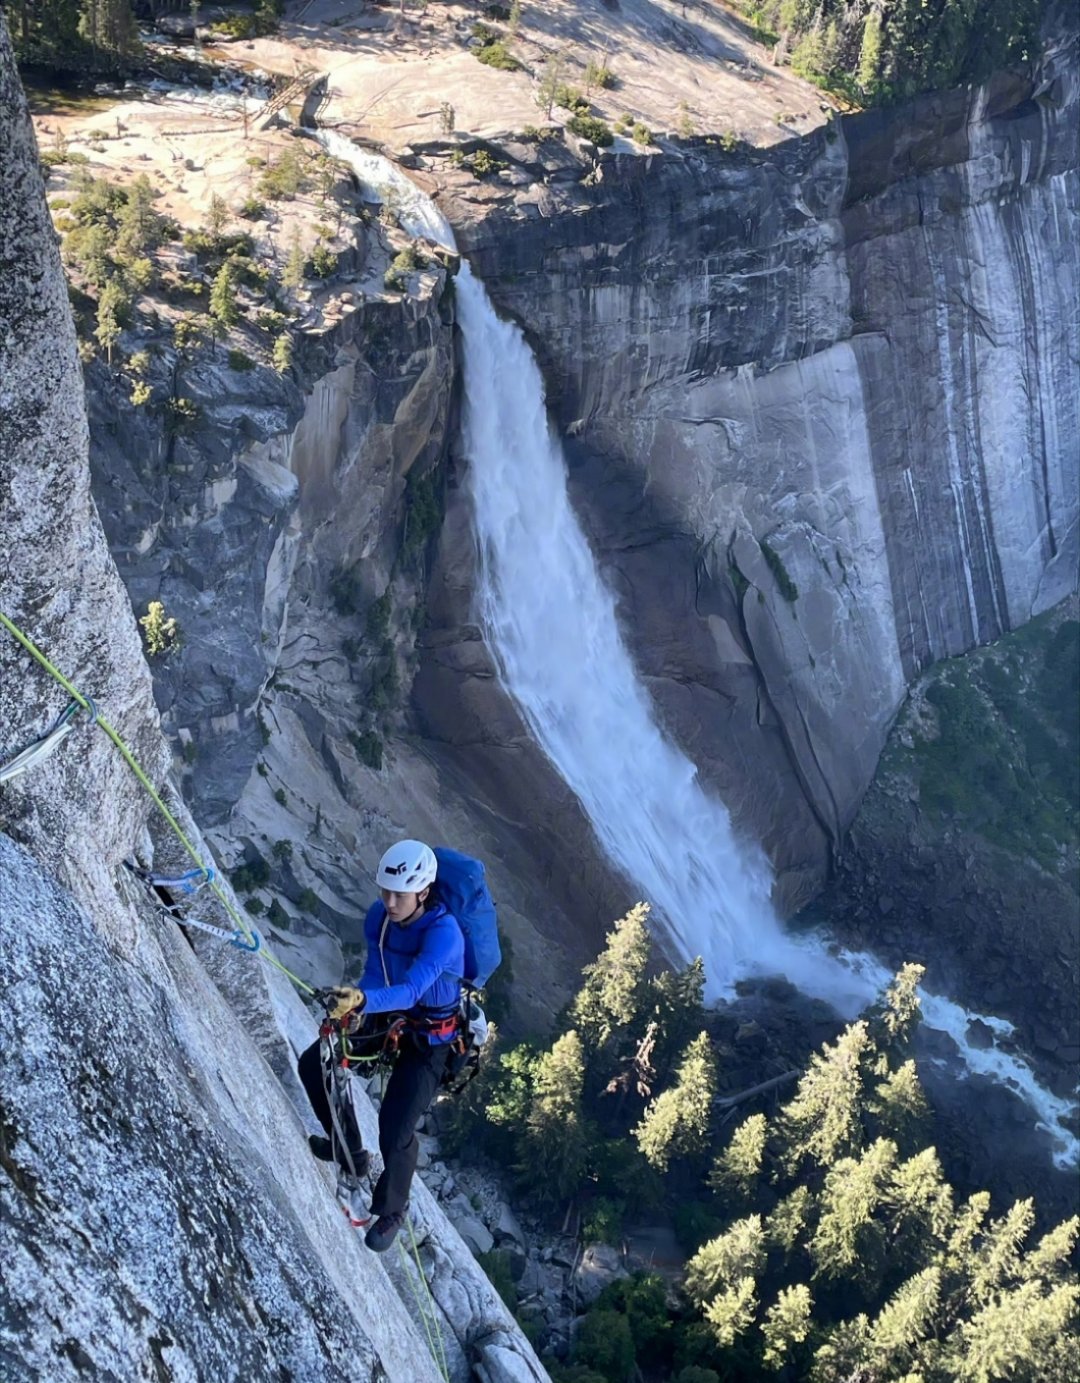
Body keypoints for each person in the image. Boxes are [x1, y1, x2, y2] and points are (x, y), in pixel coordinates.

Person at [297, 839, 464, 1252]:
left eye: (399, 895)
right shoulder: (381, 918)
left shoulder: (445, 934)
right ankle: (349, 1151)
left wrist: (363, 1001)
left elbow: (410, 989)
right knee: (314, 1063)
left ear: (423, 892)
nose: (389, 901)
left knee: (396, 1127)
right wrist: (355, 1001)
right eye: (385, 891)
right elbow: (377, 972)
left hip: (431, 1038)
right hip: (392, 1016)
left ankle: (392, 1209)